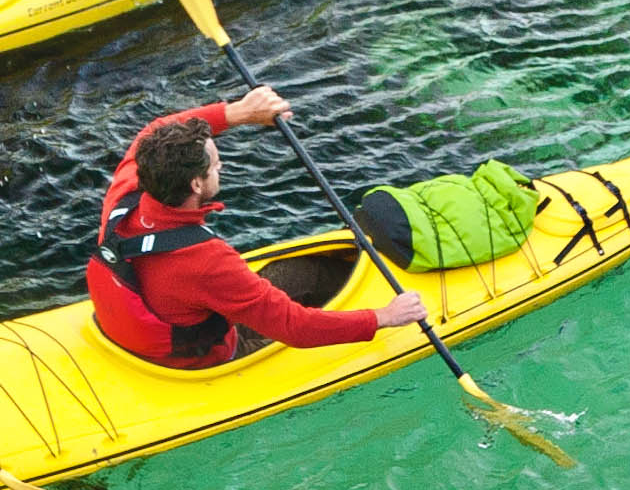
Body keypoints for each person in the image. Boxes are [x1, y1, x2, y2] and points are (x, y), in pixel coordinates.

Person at [84, 93, 438, 367]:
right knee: (307, 319)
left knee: (306, 275)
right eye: (216, 165)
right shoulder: (206, 261)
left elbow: (154, 129)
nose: (222, 166)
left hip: (145, 325)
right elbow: (295, 328)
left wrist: (239, 113)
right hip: (210, 356)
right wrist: (384, 317)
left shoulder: (125, 195)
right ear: (196, 184)